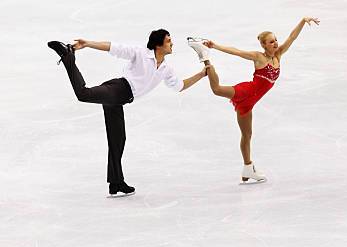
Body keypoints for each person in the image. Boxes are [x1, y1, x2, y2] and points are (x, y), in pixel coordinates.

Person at [48, 30, 206, 196]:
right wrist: (88, 43)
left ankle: (116, 183)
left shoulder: (166, 69)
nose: (172, 43)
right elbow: (113, 47)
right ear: (158, 44)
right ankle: (67, 55)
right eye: (168, 41)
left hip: (120, 100)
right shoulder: (140, 53)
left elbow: (179, 86)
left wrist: (201, 75)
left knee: (118, 139)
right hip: (117, 89)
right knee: (83, 94)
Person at [187, 17, 320, 183]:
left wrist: (303, 21)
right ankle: (204, 56)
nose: (276, 43)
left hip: (251, 102)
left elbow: (292, 37)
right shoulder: (258, 57)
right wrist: (215, 46)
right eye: (271, 42)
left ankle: (248, 168)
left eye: (276, 40)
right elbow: (237, 51)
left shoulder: (279, 54)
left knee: (247, 134)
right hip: (246, 92)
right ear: (263, 45)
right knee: (217, 89)